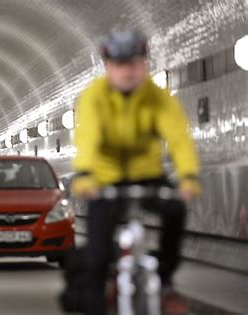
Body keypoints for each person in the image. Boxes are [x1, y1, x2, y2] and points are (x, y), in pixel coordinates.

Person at [64, 30, 201, 315]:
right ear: (108, 67)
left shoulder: (156, 97)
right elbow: (87, 137)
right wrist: (86, 174)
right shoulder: (94, 97)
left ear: (144, 65)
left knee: (175, 209)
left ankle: (164, 278)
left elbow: (178, 137)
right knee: (98, 255)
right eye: (120, 64)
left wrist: (188, 176)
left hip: (147, 175)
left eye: (134, 63)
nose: (127, 71)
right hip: (104, 179)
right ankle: (95, 303)